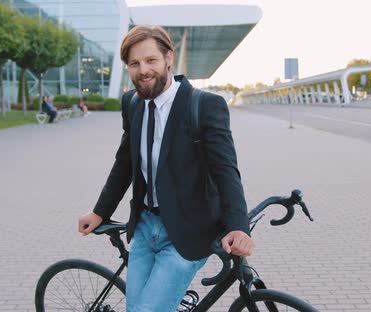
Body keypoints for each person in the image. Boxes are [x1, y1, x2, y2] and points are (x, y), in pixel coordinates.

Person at [78, 25, 254, 312]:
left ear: (168, 58)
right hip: (146, 227)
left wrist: (238, 227)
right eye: (134, 64)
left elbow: (225, 170)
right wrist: (100, 211)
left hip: (187, 233)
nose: (143, 70)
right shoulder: (132, 103)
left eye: (151, 60)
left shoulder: (205, 106)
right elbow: (125, 163)